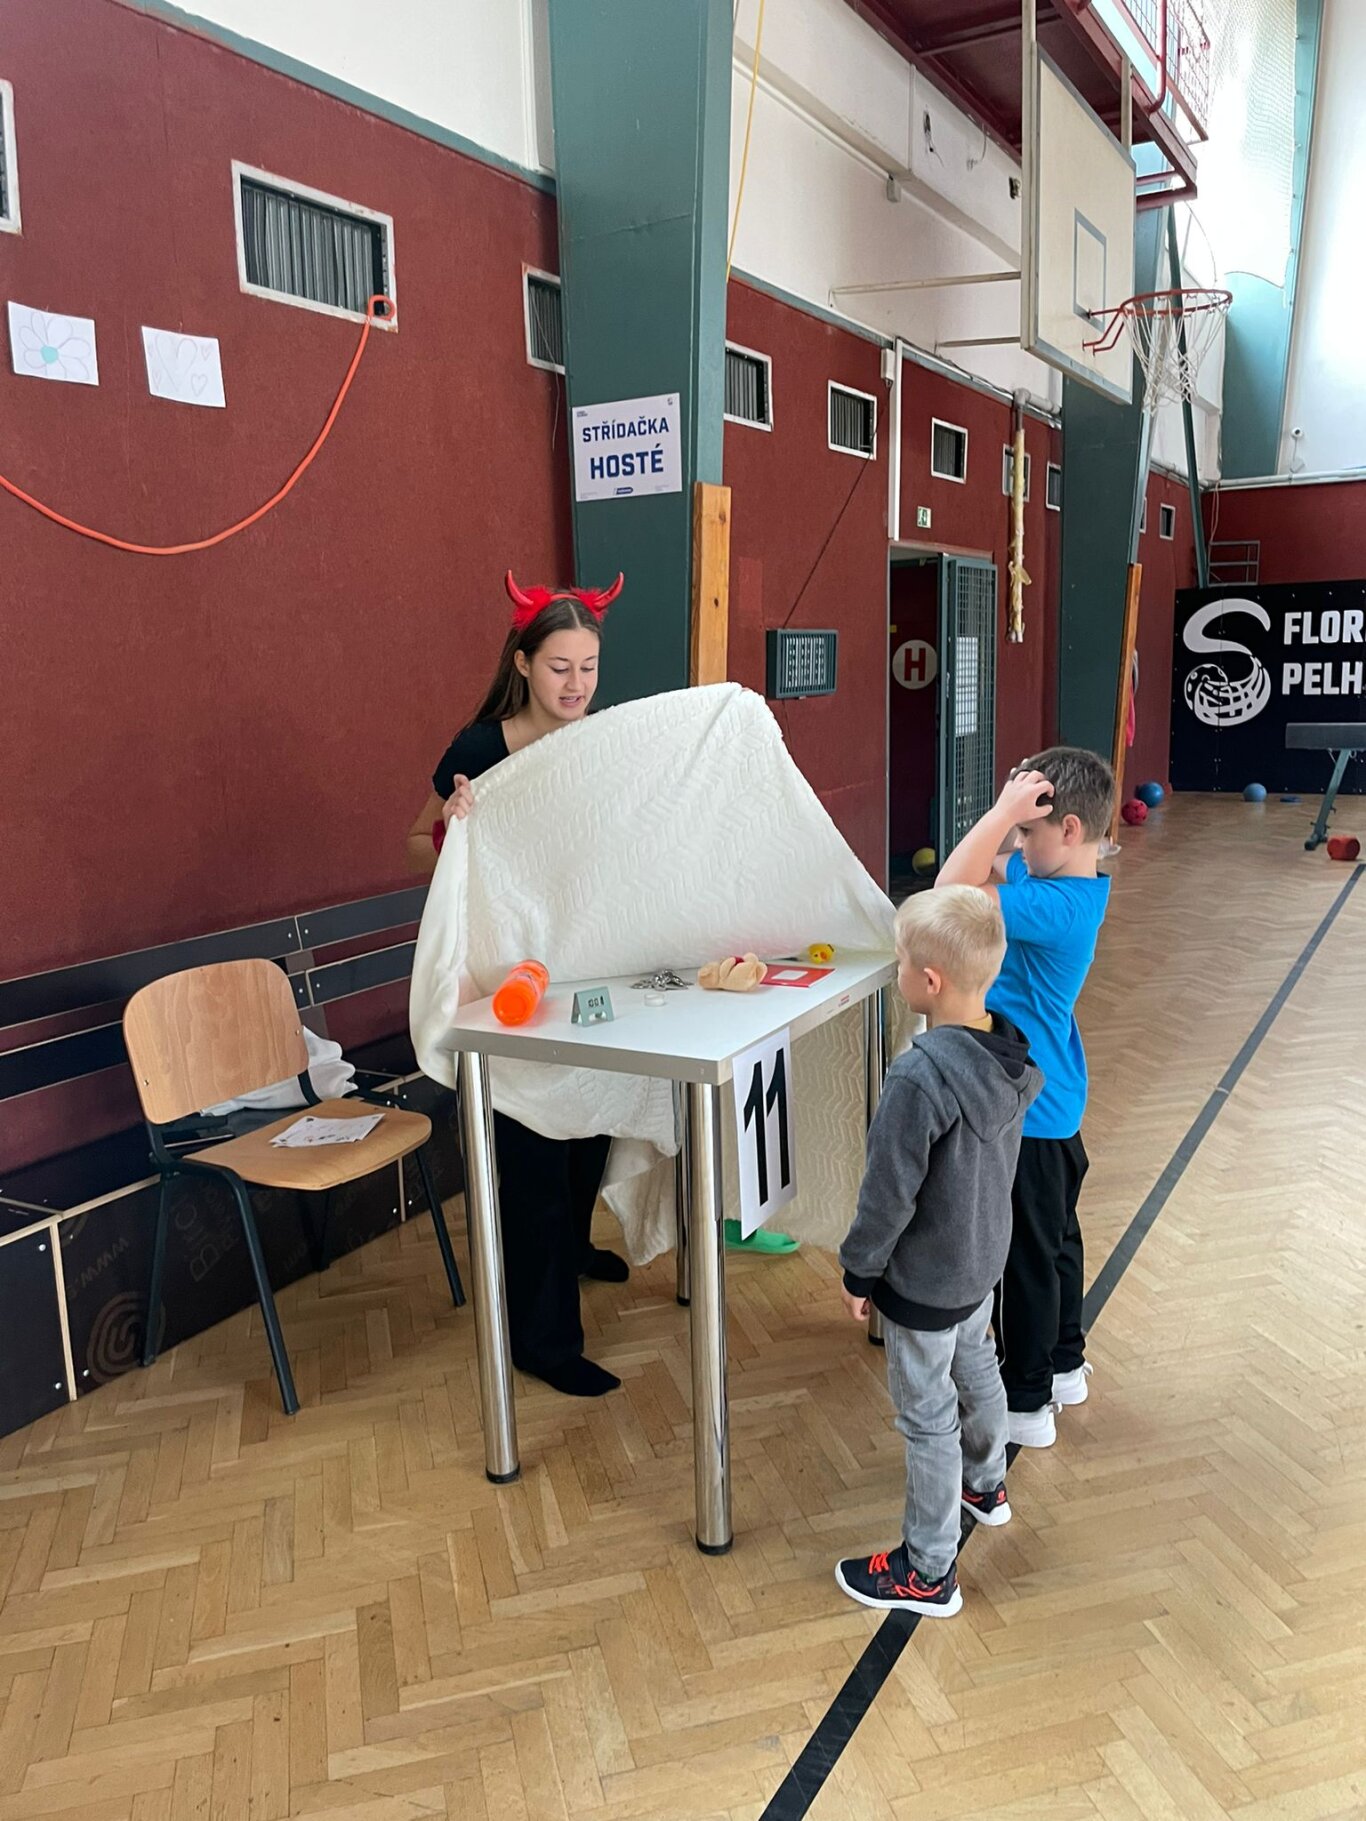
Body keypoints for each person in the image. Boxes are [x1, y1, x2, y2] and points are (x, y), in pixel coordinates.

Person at [407, 571, 629, 1398]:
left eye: (589, 667)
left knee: (588, 1125)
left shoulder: (598, 741)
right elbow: (412, 843)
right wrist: (452, 828)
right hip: (504, 983)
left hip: (582, 970)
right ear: (524, 663)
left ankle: (573, 1250)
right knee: (531, 1148)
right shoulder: (477, 750)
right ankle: (542, 1340)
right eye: (560, 667)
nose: (577, 684)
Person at [834, 888, 1041, 1616]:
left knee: (928, 1419)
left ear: (928, 981)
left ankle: (927, 1570)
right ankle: (986, 1484)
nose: (896, 970)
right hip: (981, 1260)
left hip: (924, 1281)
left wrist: (860, 1269)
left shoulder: (919, 1077)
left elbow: (887, 1194)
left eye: (899, 961)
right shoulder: (1008, 1054)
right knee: (976, 1362)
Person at [935, 747, 1114, 1449]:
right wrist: (1013, 821)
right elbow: (987, 871)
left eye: (1027, 832)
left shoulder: (1052, 906)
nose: (1017, 843)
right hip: (1054, 1101)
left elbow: (948, 890)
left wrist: (998, 811)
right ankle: (1064, 1363)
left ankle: (1028, 1399)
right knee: (1057, 1242)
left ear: (1068, 830)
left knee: (1026, 1262)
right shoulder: (1069, 885)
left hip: (1030, 1113)